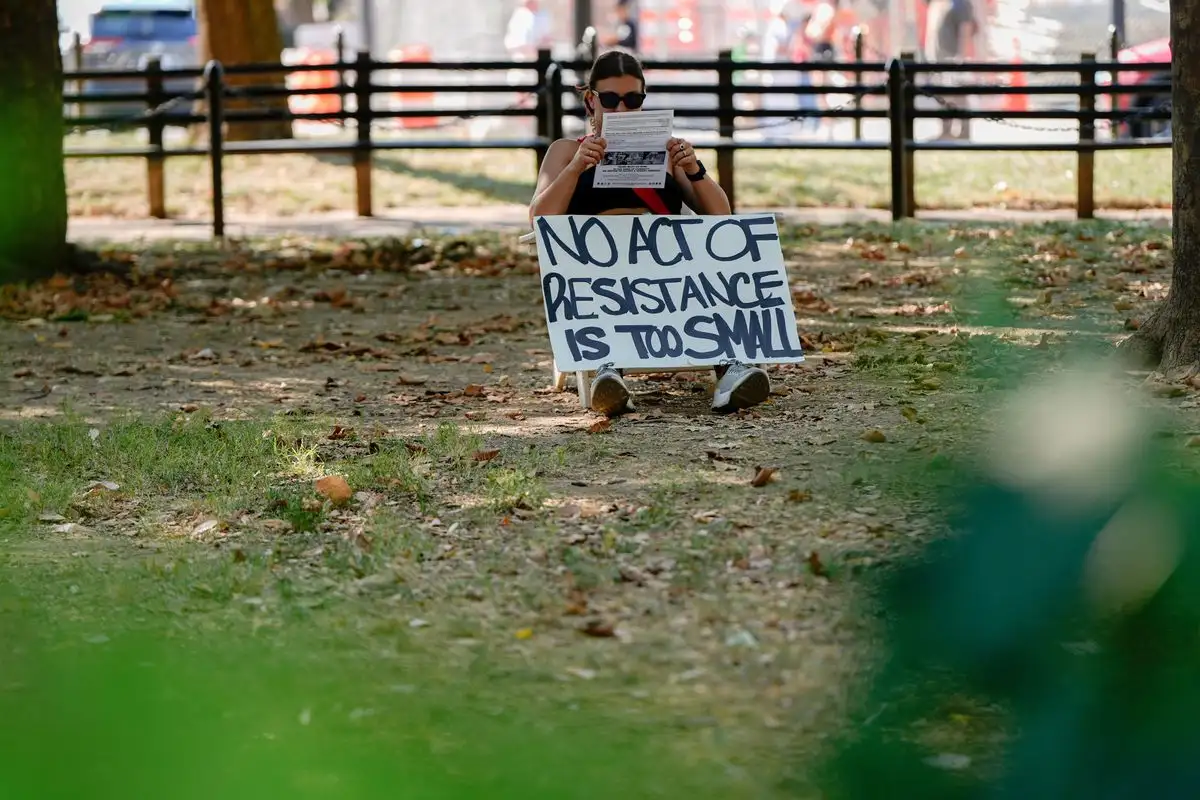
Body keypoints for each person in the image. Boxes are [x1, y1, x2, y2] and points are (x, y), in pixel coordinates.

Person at [528, 49, 773, 418]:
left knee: (714, 266)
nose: (622, 110)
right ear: (591, 99)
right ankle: (608, 372)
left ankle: (731, 372)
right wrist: (577, 168)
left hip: (668, 269)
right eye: (610, 100)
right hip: (599, 272)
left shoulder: (666, 151)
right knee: (610, 286)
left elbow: (720, 214)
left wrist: (692, 168)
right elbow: (539, 217)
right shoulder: (565, 151)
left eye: (633, 99)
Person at [924, 0, 979, 140]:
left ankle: (963, 131)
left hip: (953, 59)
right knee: (943, 96)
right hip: (939, 59)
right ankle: (946, 130)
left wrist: (961, 59)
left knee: (959, 96)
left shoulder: (961, 3)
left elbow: (965, 28)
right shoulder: (938, 3)